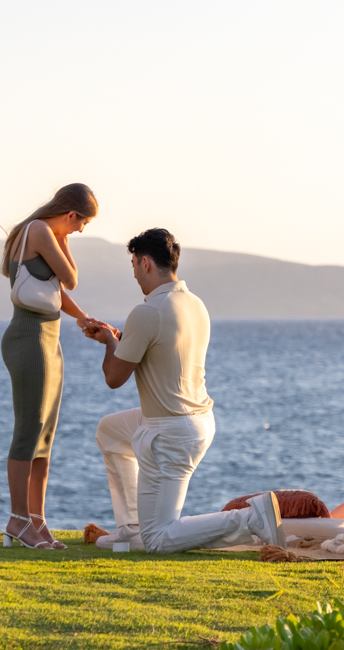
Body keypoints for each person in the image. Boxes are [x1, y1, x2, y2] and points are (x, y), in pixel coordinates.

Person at [84, 228, 284, 553]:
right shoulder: (194, 304)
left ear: (146, 263)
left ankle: (250, 519)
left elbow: (114, 377)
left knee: (159, 540)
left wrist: (108, 342)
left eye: (134, 264)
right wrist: (120, 340)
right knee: (110, 430)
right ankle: (131, 527)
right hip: (197, 420)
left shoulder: (147, 311)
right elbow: (163, 349)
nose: (133, 272)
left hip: (171, 432)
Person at [0, 183, 101, 549]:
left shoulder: (42, 232)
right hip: (28, 338)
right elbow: (70, 277)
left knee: (44, 437)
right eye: (81, 223)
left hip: (47, 338)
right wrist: (65, 239)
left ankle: (36, 521)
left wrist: (84, 318)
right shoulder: (40, 230)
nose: (80, 231)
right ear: (70, 213)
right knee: (29, 430)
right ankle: (18, 519)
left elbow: (57, 291)